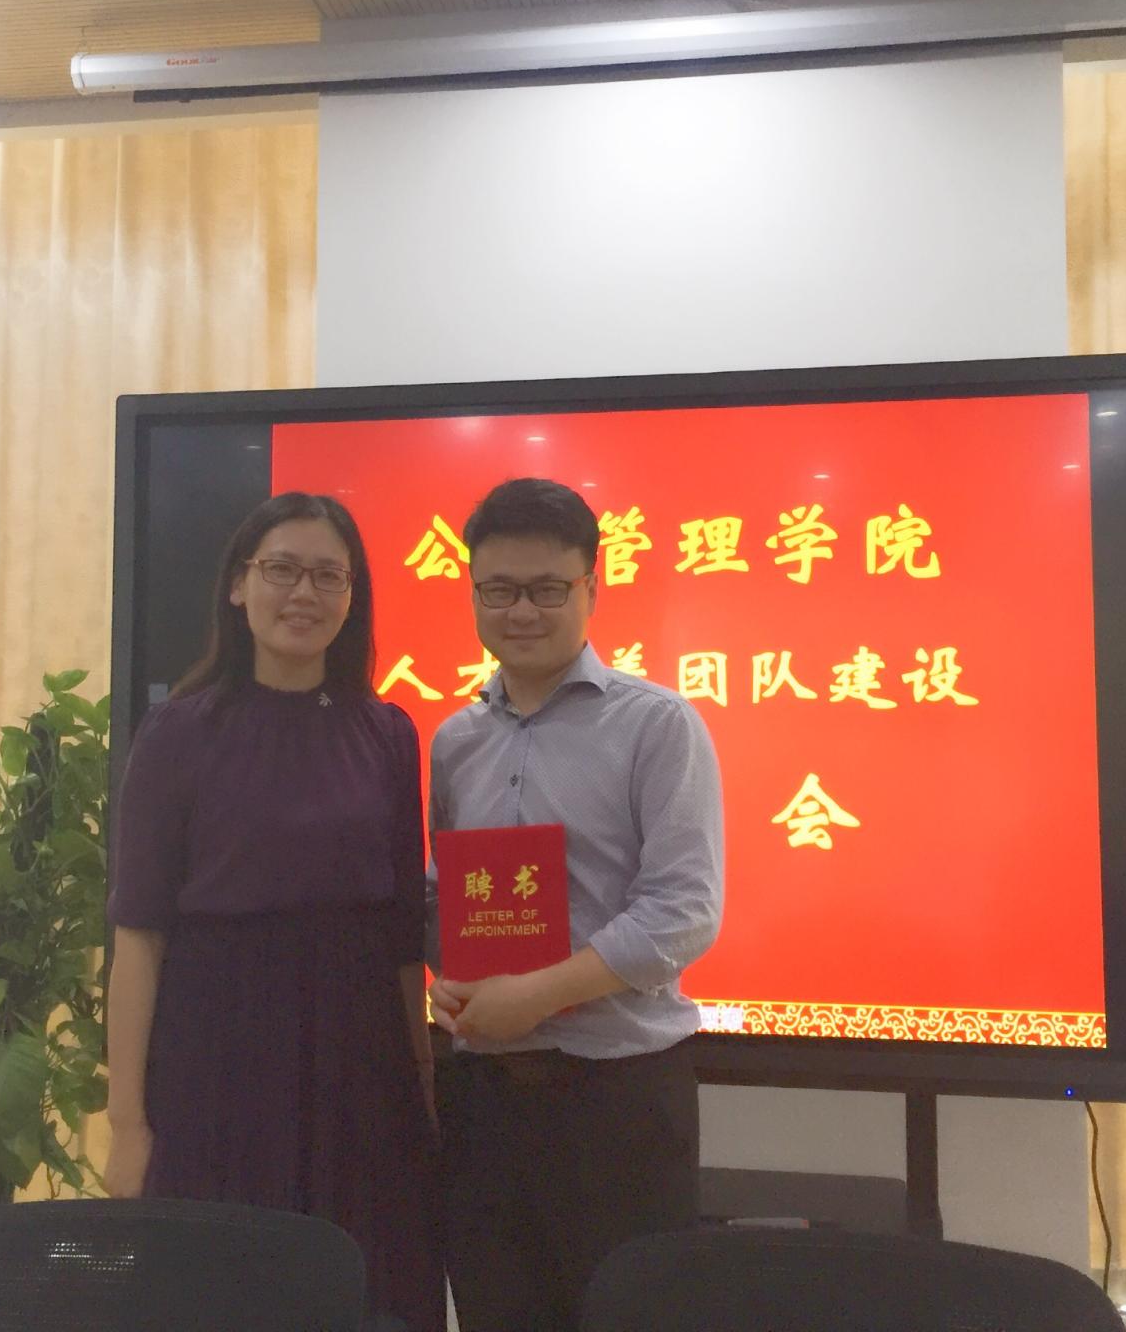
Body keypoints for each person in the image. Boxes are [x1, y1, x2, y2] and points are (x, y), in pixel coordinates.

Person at [104, 491, 441, 1332]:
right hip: (218, 1059)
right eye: (282, 569)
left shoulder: (388, 733)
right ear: (237, 585)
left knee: (363, 1290)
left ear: (353, 597)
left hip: (361, 1063)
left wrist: (422, 1080)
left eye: (329, 576)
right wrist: (127, 1124)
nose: (304, 593)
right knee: (222, 1292)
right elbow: (138, 936)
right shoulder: (178, 733)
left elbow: (403, 935)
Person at [427, 477, 726, 1332]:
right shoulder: (454, 741)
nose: (521, 611)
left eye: (547, 589)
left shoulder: (657, 725)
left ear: (592, 587)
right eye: (498, 590)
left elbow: (682, 910)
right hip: (484, 1102)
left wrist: (538, 993)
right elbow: (451, 894)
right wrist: (450, 980)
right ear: (473, 593)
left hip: (617, 1102)